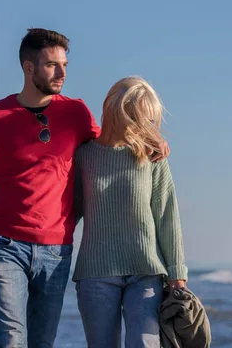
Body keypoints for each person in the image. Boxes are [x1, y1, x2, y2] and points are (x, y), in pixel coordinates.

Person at [0, 29, 169, 347]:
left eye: (65, 65)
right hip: (4, 246)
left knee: (42, 343)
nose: (61, 73)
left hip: (56, 251)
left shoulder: (76, 113)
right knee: (12, 340)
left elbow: (111, 146)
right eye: (51, 65)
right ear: (28, 67)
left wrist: (149, 140)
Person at [72, 76, 188, 348]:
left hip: (146, 273)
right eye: (138, 118)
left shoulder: (152, 157)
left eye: (149, 120)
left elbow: (167, 216)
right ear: (115, 111)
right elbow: (67, 213)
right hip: (95, 274)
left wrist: (177, 274)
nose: (145, 127)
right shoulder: (83, 156)